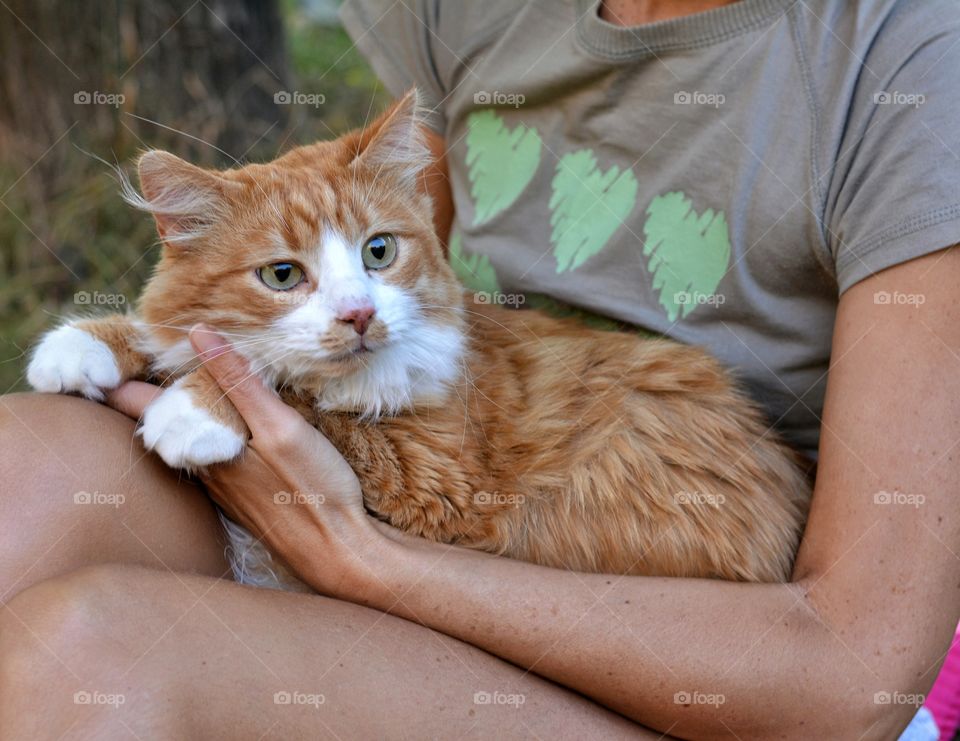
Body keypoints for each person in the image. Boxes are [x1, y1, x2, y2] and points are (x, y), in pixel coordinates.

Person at [1, 0, 959, 737]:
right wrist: (177, 347)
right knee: (23, 474)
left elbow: (850, 672)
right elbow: (391, 326)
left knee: (89, 651)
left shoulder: (914, 56)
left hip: (737, 671)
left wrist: (364, 558)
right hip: (442, 497)